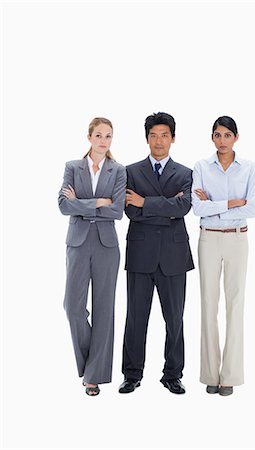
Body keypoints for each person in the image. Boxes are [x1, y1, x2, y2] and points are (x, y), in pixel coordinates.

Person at [119, 112, 194, 395]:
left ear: (173, 139)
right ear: (147, 138)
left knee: (175, 319)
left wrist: (145, 202)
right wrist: (166, 208)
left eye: (164, 135)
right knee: (136, 317)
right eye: (154, 135)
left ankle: (172, 374)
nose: (159, 141)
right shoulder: (131, 171)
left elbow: (184, 208)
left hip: (174, 256)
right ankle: (132, 373)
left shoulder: (186, 173)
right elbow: (130, 211)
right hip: (140, 253)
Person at [58, 117, 126, 396]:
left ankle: (94, 376)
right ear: (89, 137)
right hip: (78, 241)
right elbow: (63, 205)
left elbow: (118, 210)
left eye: (108, 136)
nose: (103, 141)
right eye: (98, 135)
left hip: (106, 245)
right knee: (72, 307)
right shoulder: (72, 167)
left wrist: (81, 204)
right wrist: (98, 202)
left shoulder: (118, 170)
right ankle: (90, 362)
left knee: (104, 309)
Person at [192, 116, 255, 396]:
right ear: (212, 138)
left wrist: (214, 205)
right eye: (217, 135)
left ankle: (229, 375)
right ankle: (210, 373)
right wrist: (232, 203)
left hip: (237, 239)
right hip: (208, 239)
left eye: (227, 135)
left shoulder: (249, 168)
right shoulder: (201, 167)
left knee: (235, 305)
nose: (222, 141)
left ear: (236, 138)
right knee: (208, 305)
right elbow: (197, 208)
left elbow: (252, 209)